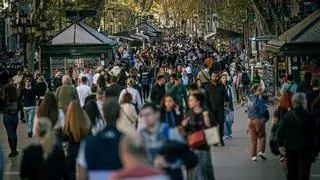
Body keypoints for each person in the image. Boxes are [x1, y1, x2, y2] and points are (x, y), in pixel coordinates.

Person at [139, 103, 189, 180]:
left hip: (170, 175)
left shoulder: (171, 133)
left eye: (148, 114)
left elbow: (188, 158)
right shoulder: (139, 136)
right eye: (142, 115)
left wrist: (168, 163)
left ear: (157, 114)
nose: (145, 118)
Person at [76, 97, 122, 179]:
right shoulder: (127, 141)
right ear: (119, 114)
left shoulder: (88, 142)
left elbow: (82, 175)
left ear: (104, 114)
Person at [277, 93, 317, 180]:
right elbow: (315, 135)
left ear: (293, 103)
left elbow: (279, 132)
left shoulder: (287, 116)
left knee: (292, 173)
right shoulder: (310, 117)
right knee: (304, 173)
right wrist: (315, 151)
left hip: (291, 149)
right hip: (306, 150)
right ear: (304, 103)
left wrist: (280, 145)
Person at [181, 93, 215, 180]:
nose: (189, 102)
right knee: (192, 172)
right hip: (191, 147)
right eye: (189, 100)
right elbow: (184, 131)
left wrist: (208, 123)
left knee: (205, 170)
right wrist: (183, 126)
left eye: (191, 100)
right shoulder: (188, 113)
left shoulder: (206, 113)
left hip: (204, 148)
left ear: (198, 102)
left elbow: (213, 131)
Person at [63, 100, 91, 179]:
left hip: (71, 151)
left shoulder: (68, 121)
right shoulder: (85, 121)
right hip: (83, 150)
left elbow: (64, 136)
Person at [206, 72, 229, 146]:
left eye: (216, 76)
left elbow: (226, 97)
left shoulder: (222, 86)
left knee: (221, 124)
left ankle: (221, 139)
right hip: (211, 109)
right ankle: (214, 141)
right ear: (211, 77)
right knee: (212, 125)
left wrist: (227, 106)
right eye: (213, 76)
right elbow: (206, 99)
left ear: (218, 77)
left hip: (220, 109)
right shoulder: (208, 87)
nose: (214, 77)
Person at [247, 84, 267, 161]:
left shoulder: (249, 98)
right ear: (255, 90)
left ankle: (253, 156)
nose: (261, 91)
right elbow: (262, 111)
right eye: (259, 90)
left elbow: (248, 109)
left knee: (253, 139)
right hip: (258, 119)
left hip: (250, 120)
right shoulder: (259, 99)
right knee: (262, 136)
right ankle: (261, 151)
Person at [2, 82, 19, 157]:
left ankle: (12, 151)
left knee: (10, 133)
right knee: (14, 133)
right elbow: (20, 107)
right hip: (15, 116)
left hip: (7, 117)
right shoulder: (16, 97)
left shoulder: (4, 99)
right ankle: (15, 150)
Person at [221, 73, 234, 139]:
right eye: (223, 78)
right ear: (221, 79)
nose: (224, 79)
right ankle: (225, 134)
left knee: (230, 120)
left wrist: (233, 106)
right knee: (224, 121)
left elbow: (232, 97)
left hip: (230, 106)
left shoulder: (229, 87)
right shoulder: (219, 87)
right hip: (222, 106)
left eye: (225, 78)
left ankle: (230, 132)